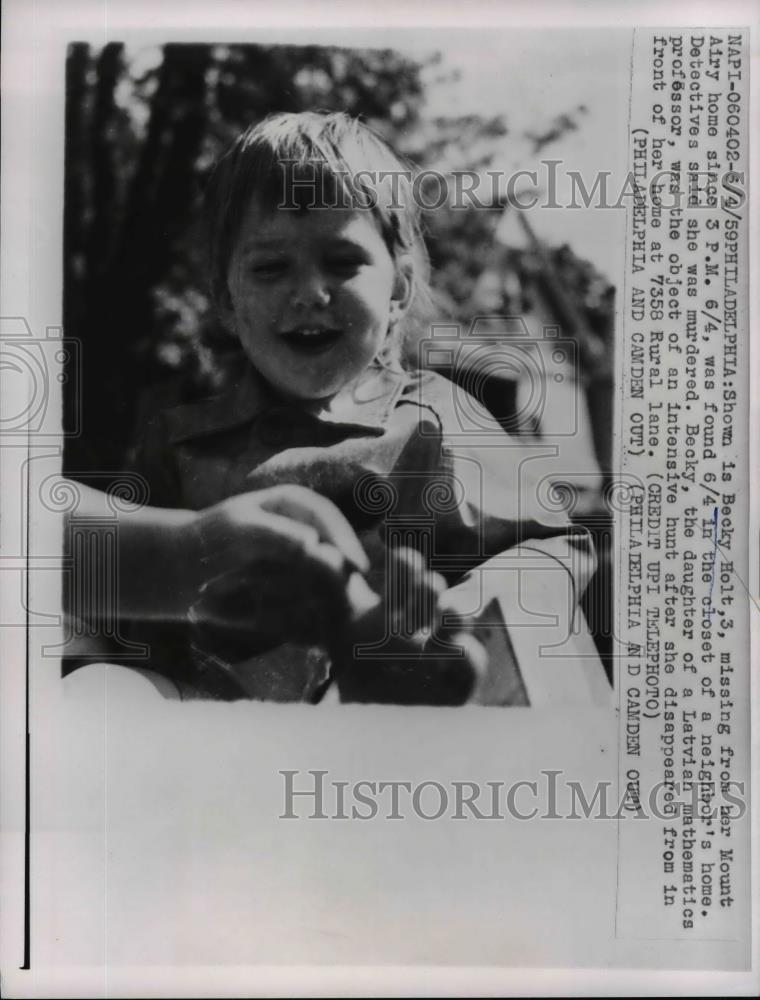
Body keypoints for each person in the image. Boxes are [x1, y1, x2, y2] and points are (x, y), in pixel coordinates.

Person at [129, 111, 599, 704]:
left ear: (398, 290)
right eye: (271, 267)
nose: (308, 293)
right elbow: (116, 598)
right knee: (104, 684)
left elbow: (552, 548)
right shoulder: (181, 445)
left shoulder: (431, 419)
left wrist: (454, 614)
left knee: (535, 639)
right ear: (227, 299)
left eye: (341, 261)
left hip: (402, 731)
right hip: (226, 741)